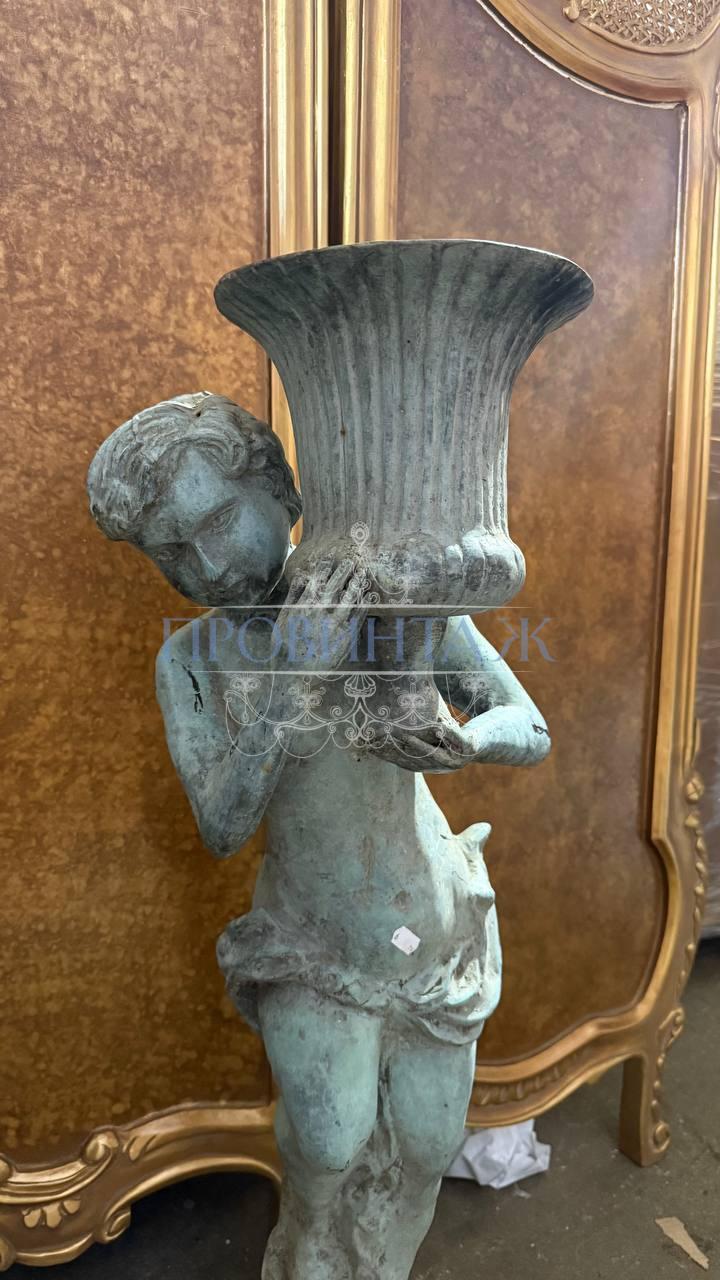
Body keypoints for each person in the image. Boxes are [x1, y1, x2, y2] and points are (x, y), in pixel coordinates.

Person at [88, 391, 551, 1280]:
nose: (205, 564)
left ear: (281, 491)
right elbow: (222, 827)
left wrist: (463, 742)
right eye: (170, 552)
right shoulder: (190, 660)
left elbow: (528, 723)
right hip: (310, 942)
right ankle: (306, 1251)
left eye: (216, 522)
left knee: (428, 1145)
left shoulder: (395, 606)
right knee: (330, 1145)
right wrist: (291, 680)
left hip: (433, 928)